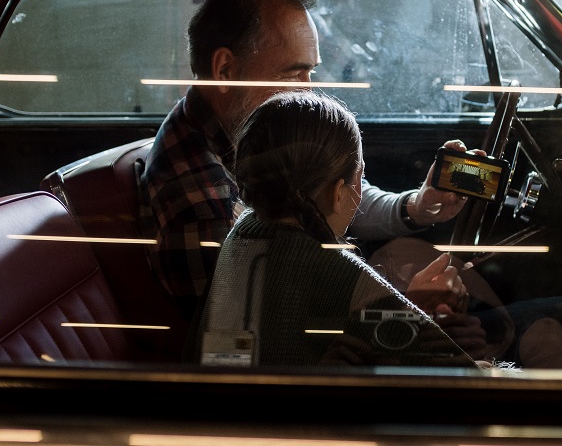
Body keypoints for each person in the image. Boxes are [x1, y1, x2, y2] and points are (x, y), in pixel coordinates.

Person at [142, 0, 470, 321]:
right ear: (226, 69)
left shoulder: (245, 131)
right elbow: (250, 336)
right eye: (292, 74)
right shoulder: (201, 201)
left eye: (310, 73)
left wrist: (417, 206)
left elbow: (332, 196)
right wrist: (405, 313)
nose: (308, 93)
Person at [195, 90, 481, 368]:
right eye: (361, 176)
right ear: (337, 193)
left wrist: (417, 207)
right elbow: (468, 381)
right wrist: (412, 310)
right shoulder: (343, 277)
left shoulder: (239, 238)